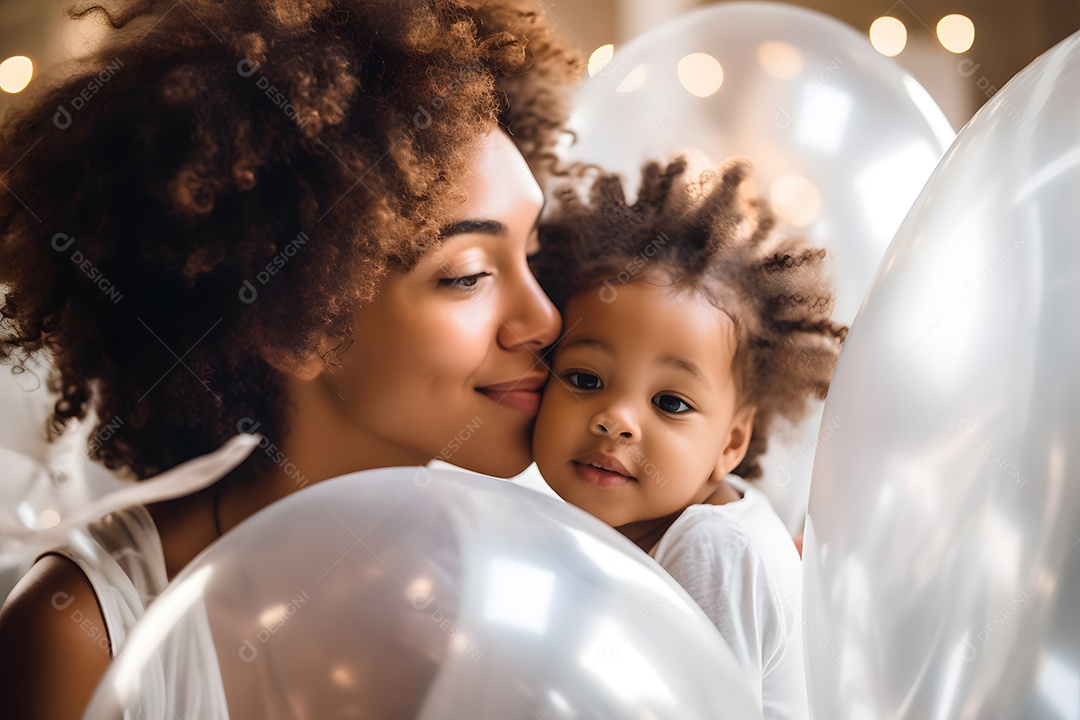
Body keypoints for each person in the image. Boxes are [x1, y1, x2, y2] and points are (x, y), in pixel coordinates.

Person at [0, 0, 581, 717]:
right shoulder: (84, 635)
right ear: (295, 322)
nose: (544, 318)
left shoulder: (564, 554)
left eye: (531, 253)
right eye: (466, 274)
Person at [531, 158, 848, 719]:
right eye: (584, 379)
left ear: (730, 444)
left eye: (670, 403)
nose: (616, 420)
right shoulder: (638, 526)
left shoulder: (713, 550)